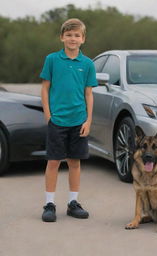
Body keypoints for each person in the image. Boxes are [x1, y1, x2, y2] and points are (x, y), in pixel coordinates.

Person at [40, 18, 98, 222]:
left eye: (77, 35)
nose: (72, 38)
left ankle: (73, 203)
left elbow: (89, 94)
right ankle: (49, 204)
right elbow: (45, 88)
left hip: (79, 121)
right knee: (54, 161)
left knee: (74, 162)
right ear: (62, 37)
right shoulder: (52, 60)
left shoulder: (88, 64)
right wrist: (48, 114)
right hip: (57, 121)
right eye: (69, 35)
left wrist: (88, 120)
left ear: (83, 39)